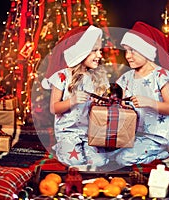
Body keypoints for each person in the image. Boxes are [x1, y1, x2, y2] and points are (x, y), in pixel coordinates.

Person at [41, 25, 110, 167]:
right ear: (81, 52)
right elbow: (54, 108)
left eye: (100, 50)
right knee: (74, 160)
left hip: (91, 134)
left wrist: (101, 102)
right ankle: (62, 148)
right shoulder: (62, 76)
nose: (99, 55)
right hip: (68, 133)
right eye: (94, 51)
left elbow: (104, 108)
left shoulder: (97, 77)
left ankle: (86, 150)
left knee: (99, 162)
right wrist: (72, 100)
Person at [114, 21, 169, 166]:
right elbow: (124, 105)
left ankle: (162, 153)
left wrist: (149, 102)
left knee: (123, 159)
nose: (128, 56)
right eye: (126, 51)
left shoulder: (160, 75)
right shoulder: (127, 77)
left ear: (146, 51)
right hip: (133, 135)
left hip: (156, 137)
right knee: (107, 154)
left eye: (133, 50)